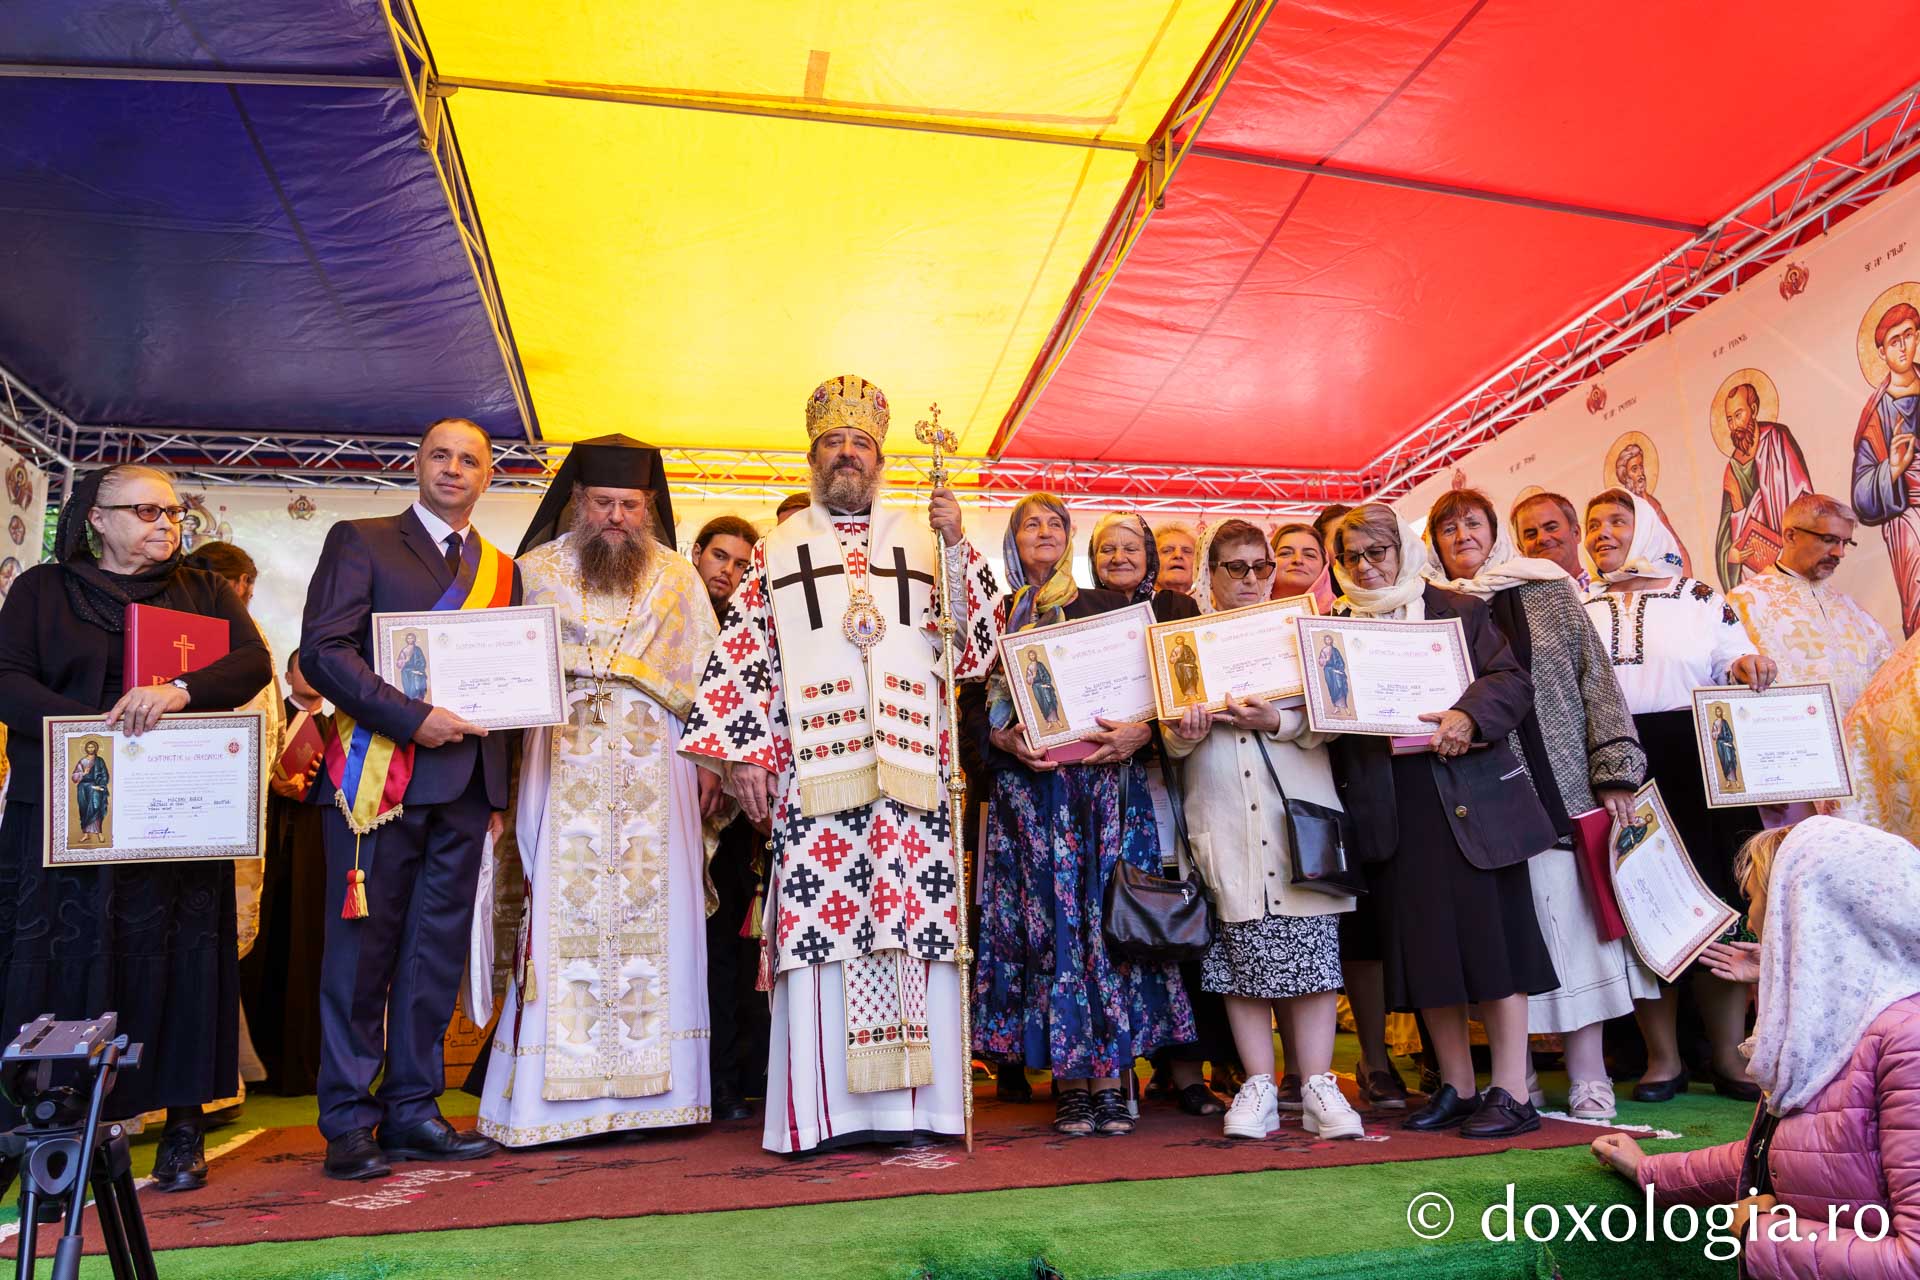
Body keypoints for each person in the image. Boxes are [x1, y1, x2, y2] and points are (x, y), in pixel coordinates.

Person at [682, 375, 1000, 1155]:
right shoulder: (778, 548)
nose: (847, 454)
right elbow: (747, 651)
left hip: (914, 779)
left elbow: (976, 651)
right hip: (815, 779)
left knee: (915, 931)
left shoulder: (927, 539)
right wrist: (744, 754)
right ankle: (822, 1113)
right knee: (823, 934)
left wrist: (959, 547)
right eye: (833, 442)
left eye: (860, 443)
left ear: (881, 459)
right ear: (813, 456)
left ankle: (921, 1109)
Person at [0, 464, 271, 1192]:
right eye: (147, 511)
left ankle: (183, 1127)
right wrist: (96, 730)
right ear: (96, 517)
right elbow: (7, 679)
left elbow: (252, 662)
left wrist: (177, 690)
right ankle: (54, 1129)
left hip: (171, 811)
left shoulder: (203, 590)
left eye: (174, 513)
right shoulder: (42, 590)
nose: (166, 524)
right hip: (69, 808)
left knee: (179, 960)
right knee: (62, 960)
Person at [476, 437, 718, 1146]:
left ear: (649, 508)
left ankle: (658, 1097)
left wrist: (712, 763)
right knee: (557, 911)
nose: (616, 517)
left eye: (630, 506)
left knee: (661, 919)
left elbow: (708, 681)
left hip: (658, 765)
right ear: (578, 503)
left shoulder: (678, 578)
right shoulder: (532, 572)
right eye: (604, 503)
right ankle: (552, 1108)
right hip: (562, 758)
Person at [300, 417, 523, 1180]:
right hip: (380, 783)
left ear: (488, 477)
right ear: (417, 465)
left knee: (433, 958)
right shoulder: (360, 540)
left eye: (470, 460)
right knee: (360, 960)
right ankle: (347, 1122)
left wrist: (501, 791)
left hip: (466, 788)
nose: (454, 469)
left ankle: (414, 1111)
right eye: (440, 456)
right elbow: (324, 652)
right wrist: (411, 717)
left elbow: (509, 677)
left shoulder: (502, 570)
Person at [1593, 816, 1920, 1279]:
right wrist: (1650, 1172)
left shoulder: (1906, 1041)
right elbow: (1780, 1155)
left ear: (1806, 905)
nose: (1748, 920)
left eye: (1753, 899)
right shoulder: (1833, 1029)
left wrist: (1760, 1234)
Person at [1325, 504, 1560, 1140]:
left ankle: (1512, 1091)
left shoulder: (1458, 610)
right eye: (1350, 557)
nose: (1365, 567)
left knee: (1495, 946)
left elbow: (1511, 682)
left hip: (1471, 804)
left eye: (1377, 552)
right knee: (1427, 952)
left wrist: (1467, 716)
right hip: (1394, 811)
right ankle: (1457, 1086)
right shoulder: (1332, 630)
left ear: (1403, 550)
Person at [1424, 488, 1655, 1121]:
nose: (1463, 535)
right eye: (1448, 528)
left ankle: (1589, 1075)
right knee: (1500, 943)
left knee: (1574, 936)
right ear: (1434, 544)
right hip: (1476, 801)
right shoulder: (1428, 610)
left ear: (1494, 531)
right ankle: (1516, 1079)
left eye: (1474, 522)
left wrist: (1614, 768)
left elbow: (1596, 680)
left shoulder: (1546, 590)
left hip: (1560, 786)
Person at [974, 493, 1193, 1137]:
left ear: (1071, 539)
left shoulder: (1108, 607)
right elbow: (968, 706)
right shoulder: (994, 614)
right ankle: (1071, 1085)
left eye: (1055, 523)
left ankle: (1110, 1081)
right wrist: (1000, 739)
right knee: (1053, 934)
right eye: (1030, 523)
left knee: (1105, 930)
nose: (1043, 532)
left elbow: (1153, 695)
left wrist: (1142, 733)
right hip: (1032, 798)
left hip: (1103, 793)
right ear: (1012, 540)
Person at [1163, 517, 1363, 1141]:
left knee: (1312, 951)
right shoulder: (1181, 645)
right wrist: (1184, 733)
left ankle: (1318, 1084)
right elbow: (1166, 739)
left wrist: (1279, 720)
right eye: (1236, 568)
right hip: (1221, 815)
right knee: (1238, 956)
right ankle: (1257, 1086)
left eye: (1261, 567)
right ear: (1212, 574)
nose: (1251, 579)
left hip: (1296, 818)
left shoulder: (1303, 632)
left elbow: (1338, 717)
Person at [1582, 487, 1775, 1103]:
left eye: (1617, 521)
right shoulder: (1578, 604)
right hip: (1619, 764)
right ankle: (1662, 1059)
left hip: (1699, 762)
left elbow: (1734, 656)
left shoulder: (1697, 596)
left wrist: (1748, 666)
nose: (1602, 533)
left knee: (1719, 901)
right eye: (1593, 525)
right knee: (1642, 902)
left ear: (1646, 528)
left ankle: (1728, 1053)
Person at [1086, 511, 1229, 1116]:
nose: (1119, 558)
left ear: (1148, 556)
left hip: (1168, 785)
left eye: (1130, 548)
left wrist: (1144, 732)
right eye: (1107, 549)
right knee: (1110, 923)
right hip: (1099, 790)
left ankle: (1186, 1071)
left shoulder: (1176, 610)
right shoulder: (1076, 614)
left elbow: (1191, 689)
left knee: (1174, 913)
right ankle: (1115, 1072)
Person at [1728, 493, 1892, 824]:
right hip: (1795, 779)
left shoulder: (1851, 610)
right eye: (1829, 540)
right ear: (1790, 535)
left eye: (1846, 543)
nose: (1839, 553)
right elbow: (1730, 697)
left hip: (1864, 777)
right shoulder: (1743, 604)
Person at [183, 539, 279, 1111]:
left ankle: (215, 1082)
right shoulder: (242, 635)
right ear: (238, 583)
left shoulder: (237, 634)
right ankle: (205, 1086)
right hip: (220, 805)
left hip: (195, 805)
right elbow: (264, 730)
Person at [689, 513, 768, 1122]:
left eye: (743, 564)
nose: (729, 572)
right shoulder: (674, 617)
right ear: (696, 553)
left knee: (739, 949)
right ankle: (701, 1082)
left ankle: (734, 1079)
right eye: (720, 556)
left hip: (742, 811)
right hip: (683, 800)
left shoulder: (757, 626)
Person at [241, 650, 330, 1095]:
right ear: (288, 675)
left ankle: (308, 1064)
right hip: (272, 851)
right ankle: (260, 1064)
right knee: (269, 949)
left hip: (319, 855)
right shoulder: (268, 723)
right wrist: (274, 784)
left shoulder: (340, 728)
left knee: (312, 953)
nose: (310, 675)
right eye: (302, 667)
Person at [1851, 301, 1920, 636]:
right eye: (1895, 341)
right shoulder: (1876, 415)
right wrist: (1891, 470)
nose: (1903, 346)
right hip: (1911, 523)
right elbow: (1860, 495)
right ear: (1881, 352)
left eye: (1909, 335)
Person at [1715, 383, 1813, 591]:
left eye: (1739, 415)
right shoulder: (1731, 470)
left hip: (1790, 554)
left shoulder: (1777, 439)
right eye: (1729, 419)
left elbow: (1802, 496)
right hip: (1758, 572)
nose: (1734, 425)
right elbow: (1726, 537)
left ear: (1753, 410)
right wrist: (1731, 557)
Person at [1509, 492, 1590, 591]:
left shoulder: (1606, 589)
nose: (1542, 538)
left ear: (1576, 533)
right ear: (1521, 549)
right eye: (1531, 534)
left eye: (1551, 528)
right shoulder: (1513, 598)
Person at [1270, 521, 1334, 611]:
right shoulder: (1249, 611)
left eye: (1309, 555)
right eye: (1285, 553)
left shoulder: (1343, 614)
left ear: (1324, 565)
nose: (1298, 560)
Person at [1154, 521, 1198, 594]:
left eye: (1187, 551)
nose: (1178, 555)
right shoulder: (1136, 600)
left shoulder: (1210, 601)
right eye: (1167, 551)